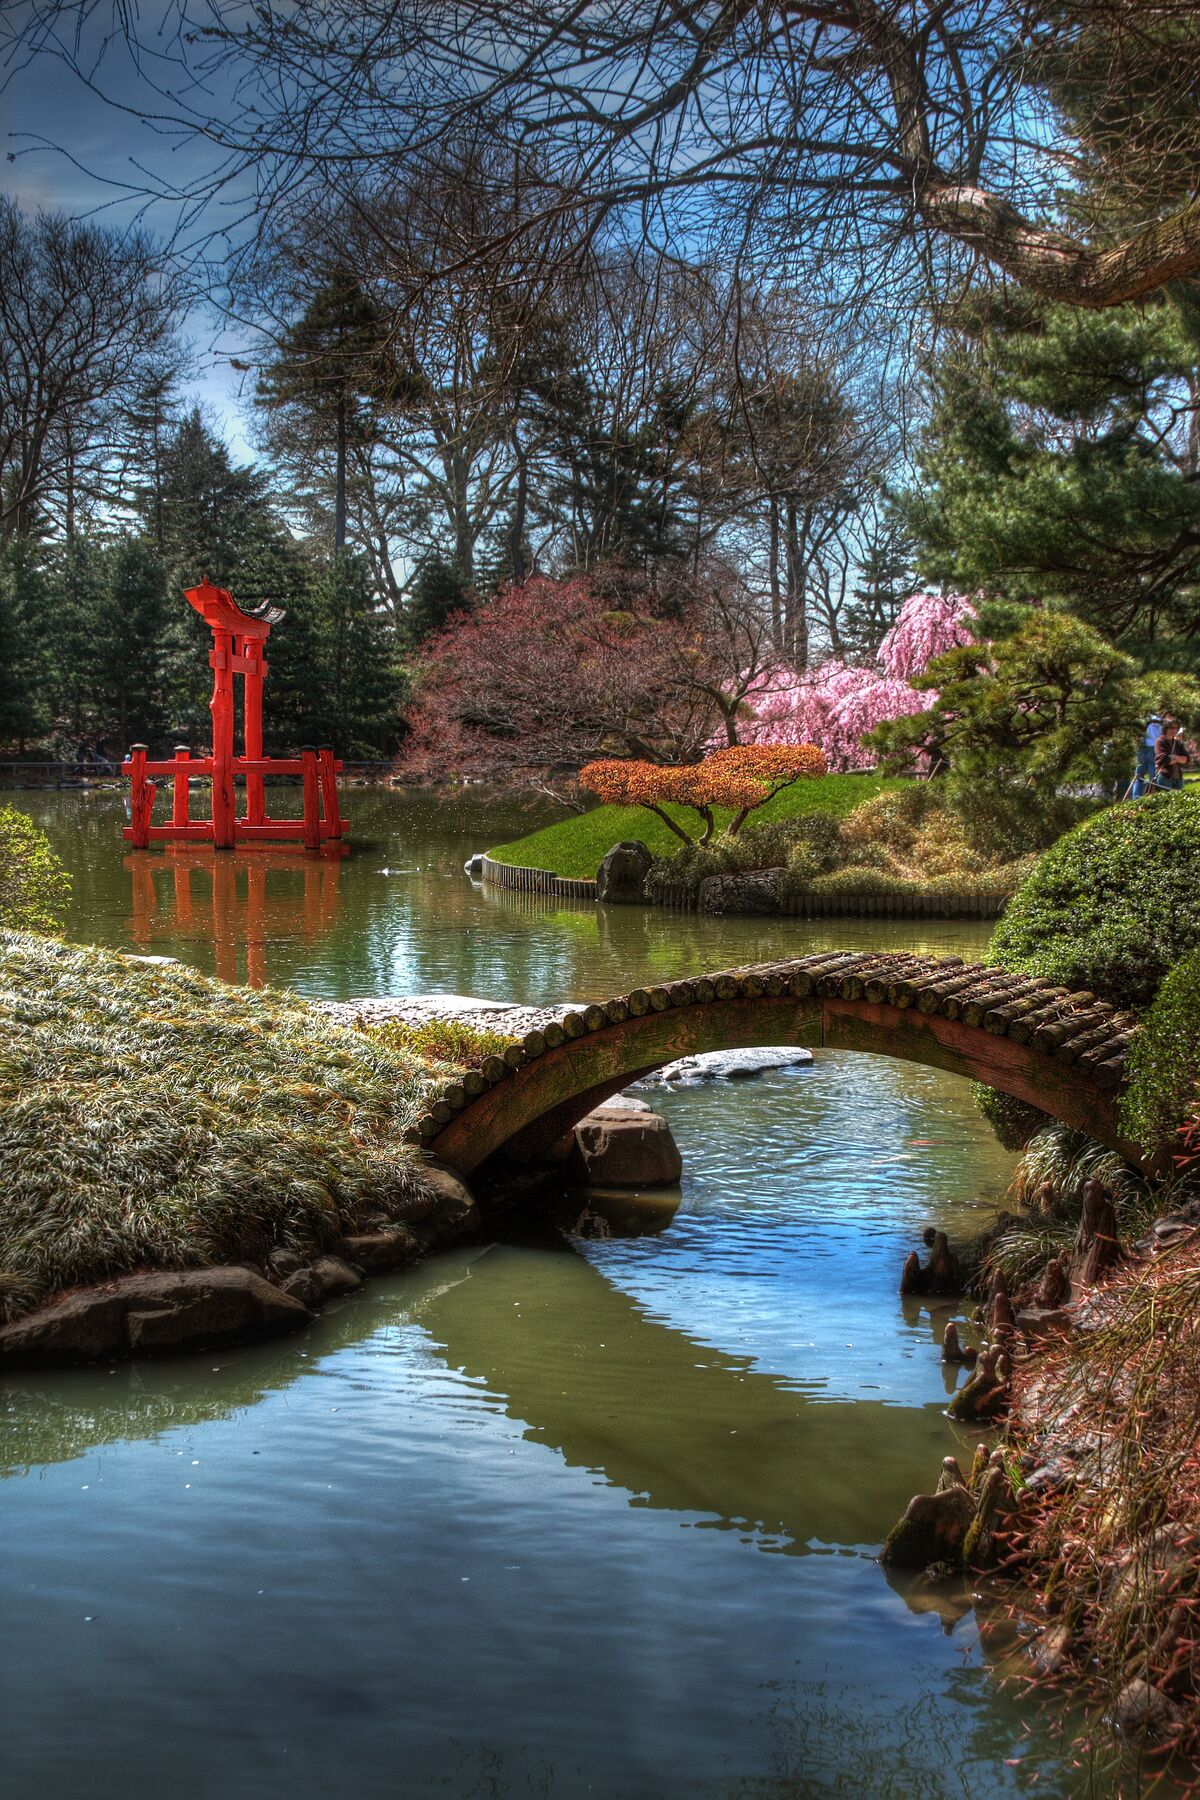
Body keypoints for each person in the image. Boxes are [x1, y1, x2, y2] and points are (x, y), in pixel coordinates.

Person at [1154, 714, 1190, 791]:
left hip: (1178, 779)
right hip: (1165, 778)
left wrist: (1174, 757)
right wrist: (1178, 758)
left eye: (1176, 728)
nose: (1174, 730)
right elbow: (1165, 760)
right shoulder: (1160, 741)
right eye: (1171, 728)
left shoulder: (1177, 742)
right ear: (1166, 728)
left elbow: (1186, 759)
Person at [1131, 713, 1162, 797]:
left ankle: (1136, 797)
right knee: (1153, 774)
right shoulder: (1159, 719)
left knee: (1139, 774)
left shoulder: (1142, 717)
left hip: (1142, 747)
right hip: (1153, 747)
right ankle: (1152, 795)